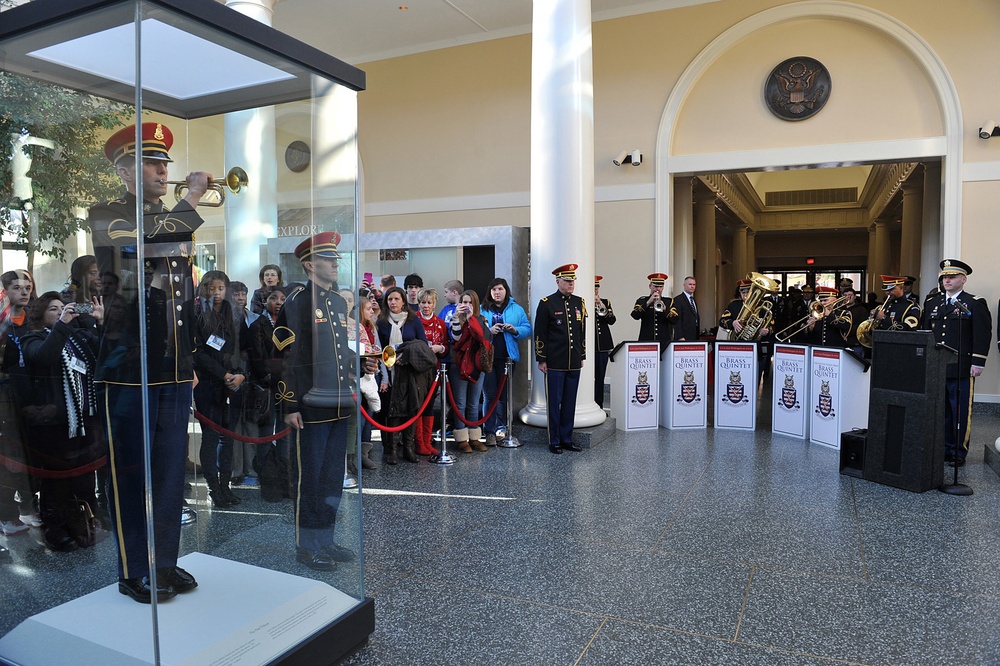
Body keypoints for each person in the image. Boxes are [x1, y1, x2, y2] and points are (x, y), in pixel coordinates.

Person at [88, 121, 209, 603]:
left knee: (169, 473)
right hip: (130, 368)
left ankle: (164, 562)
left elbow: (180, 298)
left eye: (164, 163)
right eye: (153, 162)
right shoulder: (109, 214)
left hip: (173, 367)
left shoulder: (168, 217)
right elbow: (141, 250)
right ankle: (133, 568)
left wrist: (191, 357)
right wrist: (192, 199)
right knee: (131, 474)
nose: (164, 170)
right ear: (124, 171)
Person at [272, 231, 359, 571]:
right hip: (309, 406)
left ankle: (326, 538)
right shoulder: (297, 303)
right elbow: (287, 358)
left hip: (337, 402)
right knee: (311, 478)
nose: (335, 263)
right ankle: (307, 546)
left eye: (336, 258)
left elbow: (335, 352)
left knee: (331, 476)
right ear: (310, 265)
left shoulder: (338, 302)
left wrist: (358, 361)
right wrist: (290, 405)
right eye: (328, 259)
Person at [19, 292, 106, 552]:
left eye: (63, 308)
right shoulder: (32, 337)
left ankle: (81, 524)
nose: (60, 312)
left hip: (83, 420)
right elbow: (44, 356)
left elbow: (103, 354)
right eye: (53, 309)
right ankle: (54, 529)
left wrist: (100, 323)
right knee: (57, 480)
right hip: (55, 423)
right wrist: (62, 325)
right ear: (41, 314)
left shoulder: (77, 337)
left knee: (82, 477)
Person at [920, 259, 992, 466]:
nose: (947, 280)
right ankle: (942, 447)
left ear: (963, 279)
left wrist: (978, 363)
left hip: (961, 366)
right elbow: (926, 332)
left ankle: (958, 451)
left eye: (952, 277)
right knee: (939, 410)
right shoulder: (933, 302)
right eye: (944, 277)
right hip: (937, 365)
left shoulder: (975, 303)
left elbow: (982, 335)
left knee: (959, 411)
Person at [192, 270, 245, 507]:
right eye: (211, 288)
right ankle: (214, 488)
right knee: (211, 437)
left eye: (220, 288)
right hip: (207, 383)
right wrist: (222, 374)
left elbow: (242, 350)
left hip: (233, 383)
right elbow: (197, 353)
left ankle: (226, 486)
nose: (216, 293)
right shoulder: (195, 313)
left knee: (229, 437)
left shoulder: (233, 314)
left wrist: (240, 374)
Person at [0, 269, 44, 536]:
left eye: (27, 286)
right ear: (5, 291)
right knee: (9, 459)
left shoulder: (34, 321)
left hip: (32, 394)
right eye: (17, 287)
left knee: (32, 453)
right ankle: (6, 513)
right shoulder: (2, 323)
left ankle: (30, 506)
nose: (25, 291)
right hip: (6, 398)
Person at [535, 264, 586, 454]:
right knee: (554, 403)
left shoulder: (579, 302)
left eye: (572, 280)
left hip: (573, 361)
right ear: (558, 282)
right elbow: (540, 333)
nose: (571, 283)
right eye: (567, 280)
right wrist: (541, 358)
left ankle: (567, 438)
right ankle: (554, 440)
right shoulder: (547, 303)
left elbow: (581, 332)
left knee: (570, 401)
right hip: (554, 362)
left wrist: (582, 355)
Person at [247, 285, 291, 500]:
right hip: (266, 387)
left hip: (286, 388)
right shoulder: (257, 325)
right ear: (265, 302)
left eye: (283, 298)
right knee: (266, 435)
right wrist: (271, 378)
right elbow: (257, 357)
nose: (279, 302)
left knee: (284, 435)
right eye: (274, 298)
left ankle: (285, 481)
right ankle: (269, 483)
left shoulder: (289, 325)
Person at [376, 286, 428, 463]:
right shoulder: (381, 322)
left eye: (396, 299)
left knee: (411, 409)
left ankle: (408, 448)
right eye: (390, 299)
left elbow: (423, 345)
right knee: (391, 411)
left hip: (410, 372)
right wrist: (385, 373)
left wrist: (406, 356)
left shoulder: (413, 321)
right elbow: (379, 349)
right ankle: (390, 449)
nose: (393, 302)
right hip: (389, 373)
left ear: (404, 301)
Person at [480, 278, 531, 446]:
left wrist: (515, 329)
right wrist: (489, 331)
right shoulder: (482, 309)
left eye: (500, 289)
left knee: (503, 395)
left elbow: (528, 328)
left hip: (508, 358)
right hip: (488, 359)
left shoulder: (516, 308)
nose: (497, 292)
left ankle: (502, 427)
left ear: (505, 290)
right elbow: (475, 331)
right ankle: (489, 431)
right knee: (489, 394)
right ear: (490, 292)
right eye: (493, 289)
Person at [449, 289, 491, 453]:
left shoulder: (482, 319)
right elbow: (456, 338)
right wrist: (458, 319)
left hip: (476, 365)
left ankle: (474, 438)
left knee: (474, 402)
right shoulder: (454, 318)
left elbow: (483, 337)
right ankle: (461, 439)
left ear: (474, 304)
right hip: (458, 364)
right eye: (463, 302)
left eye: (469, 302)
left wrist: (471, 319)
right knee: (460, 402)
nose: (466, 305)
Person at [415, 288, 448, 455]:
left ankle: (428, 441)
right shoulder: (413, 320)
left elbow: (447, 348)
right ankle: (419, 442)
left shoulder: (441, 323)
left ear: (434, 304)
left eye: (429, 302)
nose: (426, 306)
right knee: (418, 406)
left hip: (434, 371)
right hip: (417, 371)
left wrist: (440, 347)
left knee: (429, 406)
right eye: (422, 302)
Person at [631, 272, 677, 349]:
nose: (657, 289)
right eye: (655, 286)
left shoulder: (669, 301)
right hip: (646, 341)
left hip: (664, 342)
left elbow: (675, 320)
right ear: (650, 286)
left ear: (663, 288)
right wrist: (648, 302)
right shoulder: (642, 301)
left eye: (660, 286)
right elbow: (635, 315)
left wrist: (665, 309)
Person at [594, 276, 616, 409]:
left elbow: (612, 320)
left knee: (600, 378)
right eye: (593, 288)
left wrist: (601, 306)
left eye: (596, 288)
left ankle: (599, 406)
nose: (595, 290)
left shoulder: (605, 302)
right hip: (588, 347)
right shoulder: (581, 302)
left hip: (602, 345)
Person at [673, 276, 700, 341]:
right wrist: (680, 336)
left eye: (694, 284)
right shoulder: (678, 300)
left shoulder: (693, 300)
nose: (692, 286)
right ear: (684, 285)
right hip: (683, 337)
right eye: (690, 284)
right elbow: (677, 320)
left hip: (694, 336)